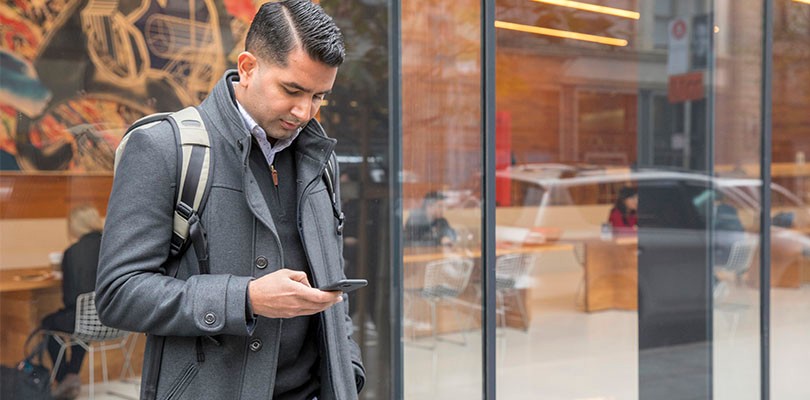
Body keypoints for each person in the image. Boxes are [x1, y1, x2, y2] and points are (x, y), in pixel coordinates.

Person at [95, 2, 364, 399]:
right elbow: (120, 294)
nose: (304, 111)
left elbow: (331, 282)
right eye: (291, 90)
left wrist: (349, 368)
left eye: (319, 96)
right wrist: (247, 297)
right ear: (248, 67)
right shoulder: (163, 148)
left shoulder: (321, 160)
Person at [41, 205, 103, 400]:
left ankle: (63, 378)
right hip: (114, 320)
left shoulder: (72, 253)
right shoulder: (112, 245)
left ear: (75, 226)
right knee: (83, 320)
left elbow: (69, 299)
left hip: (86, 321)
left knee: (49, 323)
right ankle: (72, 375)